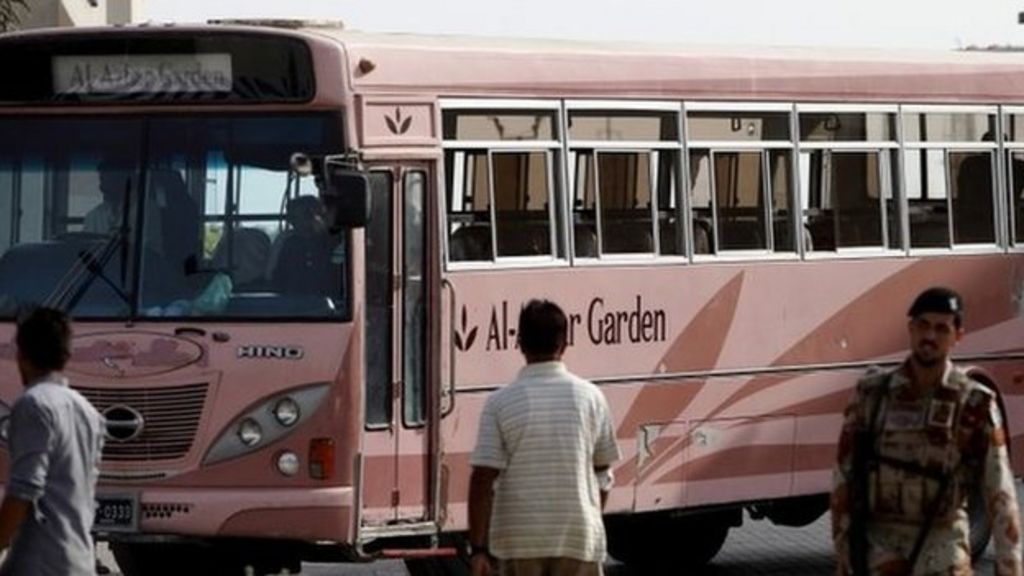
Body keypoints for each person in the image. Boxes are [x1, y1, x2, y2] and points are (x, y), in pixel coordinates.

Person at [831, 287, 1023, 576]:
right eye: (923, 325)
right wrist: (846, 553)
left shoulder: (973, 404)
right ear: (910, 329)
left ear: (958, 335)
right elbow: (843, 481)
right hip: (878, 557)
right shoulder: (872, 396)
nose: (930, 336)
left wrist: (1010, 568)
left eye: (941, 328)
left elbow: (1001, 496)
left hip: (943, 557)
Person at [468, 299, 620, 576]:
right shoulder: (591, 397)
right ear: (564, 345)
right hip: (579, 537)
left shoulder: (500, 403)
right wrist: (591, 516)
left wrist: (478, 549)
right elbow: (603, 472)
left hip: (519, 541)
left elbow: (482, 479)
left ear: (520, 344)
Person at [0, 307, 104, 576]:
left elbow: (24, 489)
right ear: (66, 355)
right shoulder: (88, 412)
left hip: (39, 563)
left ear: (22, 355)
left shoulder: (33, 404)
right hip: (80, 560)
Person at [267, 195, 336, 295]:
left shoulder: (332, 243)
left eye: (296, 217)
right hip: (293, 303)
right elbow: (278, 278)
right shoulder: (289, 244)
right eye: (291, 217)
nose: (292, 222)